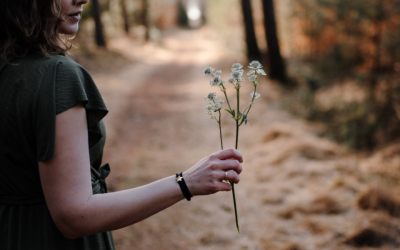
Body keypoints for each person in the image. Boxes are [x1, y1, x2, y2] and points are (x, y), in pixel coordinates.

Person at [0, 0, 243, 249]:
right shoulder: (57, 76)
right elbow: (74, 215)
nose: (82, 0)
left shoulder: (8, 67)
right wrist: (185, 182)